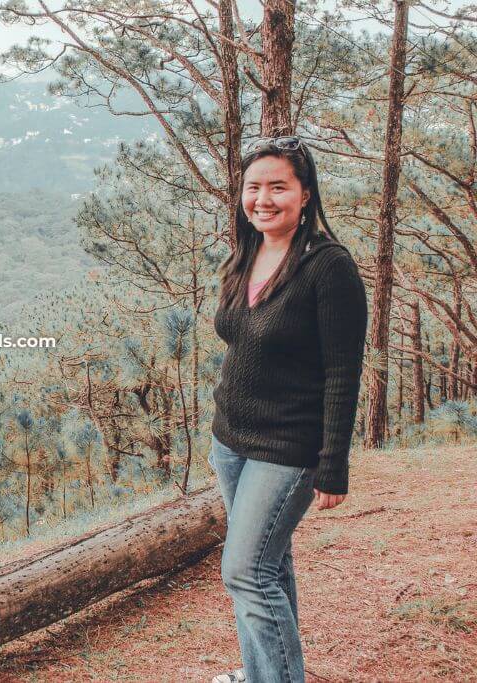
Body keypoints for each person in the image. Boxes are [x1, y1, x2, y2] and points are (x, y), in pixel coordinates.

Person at [207, 136, 369, 683]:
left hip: (288, 448)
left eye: (279, 187)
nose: (264, 199)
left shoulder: (329, 268)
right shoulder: (247, 251)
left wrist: (333, 464)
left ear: (305, 195)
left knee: (245, 572)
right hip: (231, 443)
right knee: (268, 567)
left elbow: (343, 374)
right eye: (254, 187)